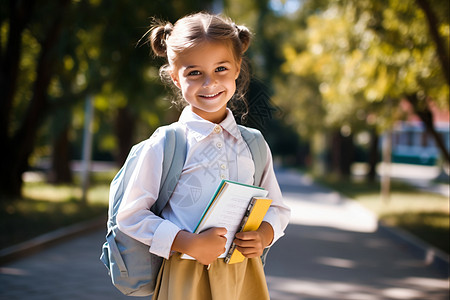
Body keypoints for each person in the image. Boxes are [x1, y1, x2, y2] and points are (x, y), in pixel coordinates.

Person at [116, 12, 290, 300]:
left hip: (243, 276)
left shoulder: (253, 144)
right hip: (186, 277)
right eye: (194, 73)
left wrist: (264, 235)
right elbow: (131, 216)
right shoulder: (166, 143)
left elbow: (278, 208)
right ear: (175, 78)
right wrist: (187, 242)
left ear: (237, 69)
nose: (210, 83)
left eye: (221, 69)